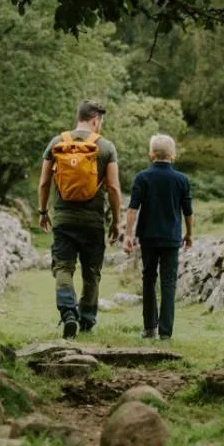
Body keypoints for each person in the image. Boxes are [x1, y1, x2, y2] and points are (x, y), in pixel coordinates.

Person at [38, 99, 122, 338]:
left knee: (63, 267)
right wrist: (116, 221)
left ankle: (68, 314)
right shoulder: (106, 147)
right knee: (91, 272)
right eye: (100, 122)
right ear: (95, 120)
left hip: (64, 219)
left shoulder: (56, 143)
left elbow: (44, 182)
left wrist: (43, 212)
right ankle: (86, 320)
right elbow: (114, 187)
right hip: (93, 221)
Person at [123, 134, 193, 341]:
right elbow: (188, 211)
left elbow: (132, 209)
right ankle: (166, 332)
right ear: (173, 156)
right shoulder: (181, 180)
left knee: (148, 279)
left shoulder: (142, 177)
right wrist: (189, 234)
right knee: (169, 282)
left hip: (148, 237)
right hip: (171, 238)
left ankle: (149, 328)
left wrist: (128, 235)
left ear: (151, 154)